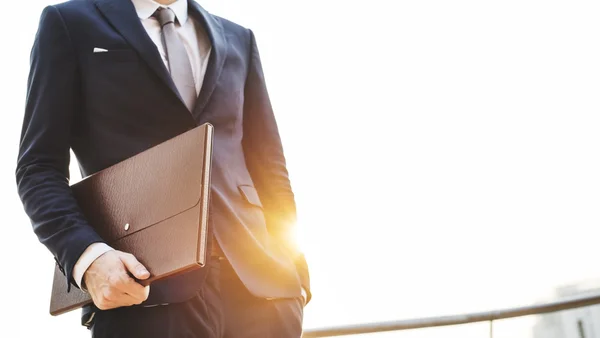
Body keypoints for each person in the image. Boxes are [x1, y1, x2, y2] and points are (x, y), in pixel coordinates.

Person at [16, 0, 310, 336]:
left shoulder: (239, 38)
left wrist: (296, 273)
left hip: (265, 297)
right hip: (144, 291)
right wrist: (88, 258)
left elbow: (269, 167)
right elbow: (37, 167)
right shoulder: (69, 23)